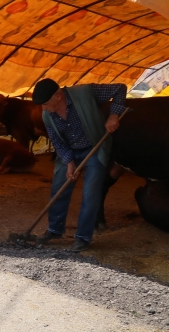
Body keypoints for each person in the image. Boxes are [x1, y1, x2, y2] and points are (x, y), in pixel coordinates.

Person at [32, 78, 126, 252]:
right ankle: (54, 230)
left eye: (45, 104)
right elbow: (57, 142)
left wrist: (114, 115)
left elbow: (120, 89)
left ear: (58, 96)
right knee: (59, 188)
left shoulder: (85, 93)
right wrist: (69, 163)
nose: (43, 109)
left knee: (90, 193)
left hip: (95, 148)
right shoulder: (47, 115)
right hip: (70, 152)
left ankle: (83, 237)